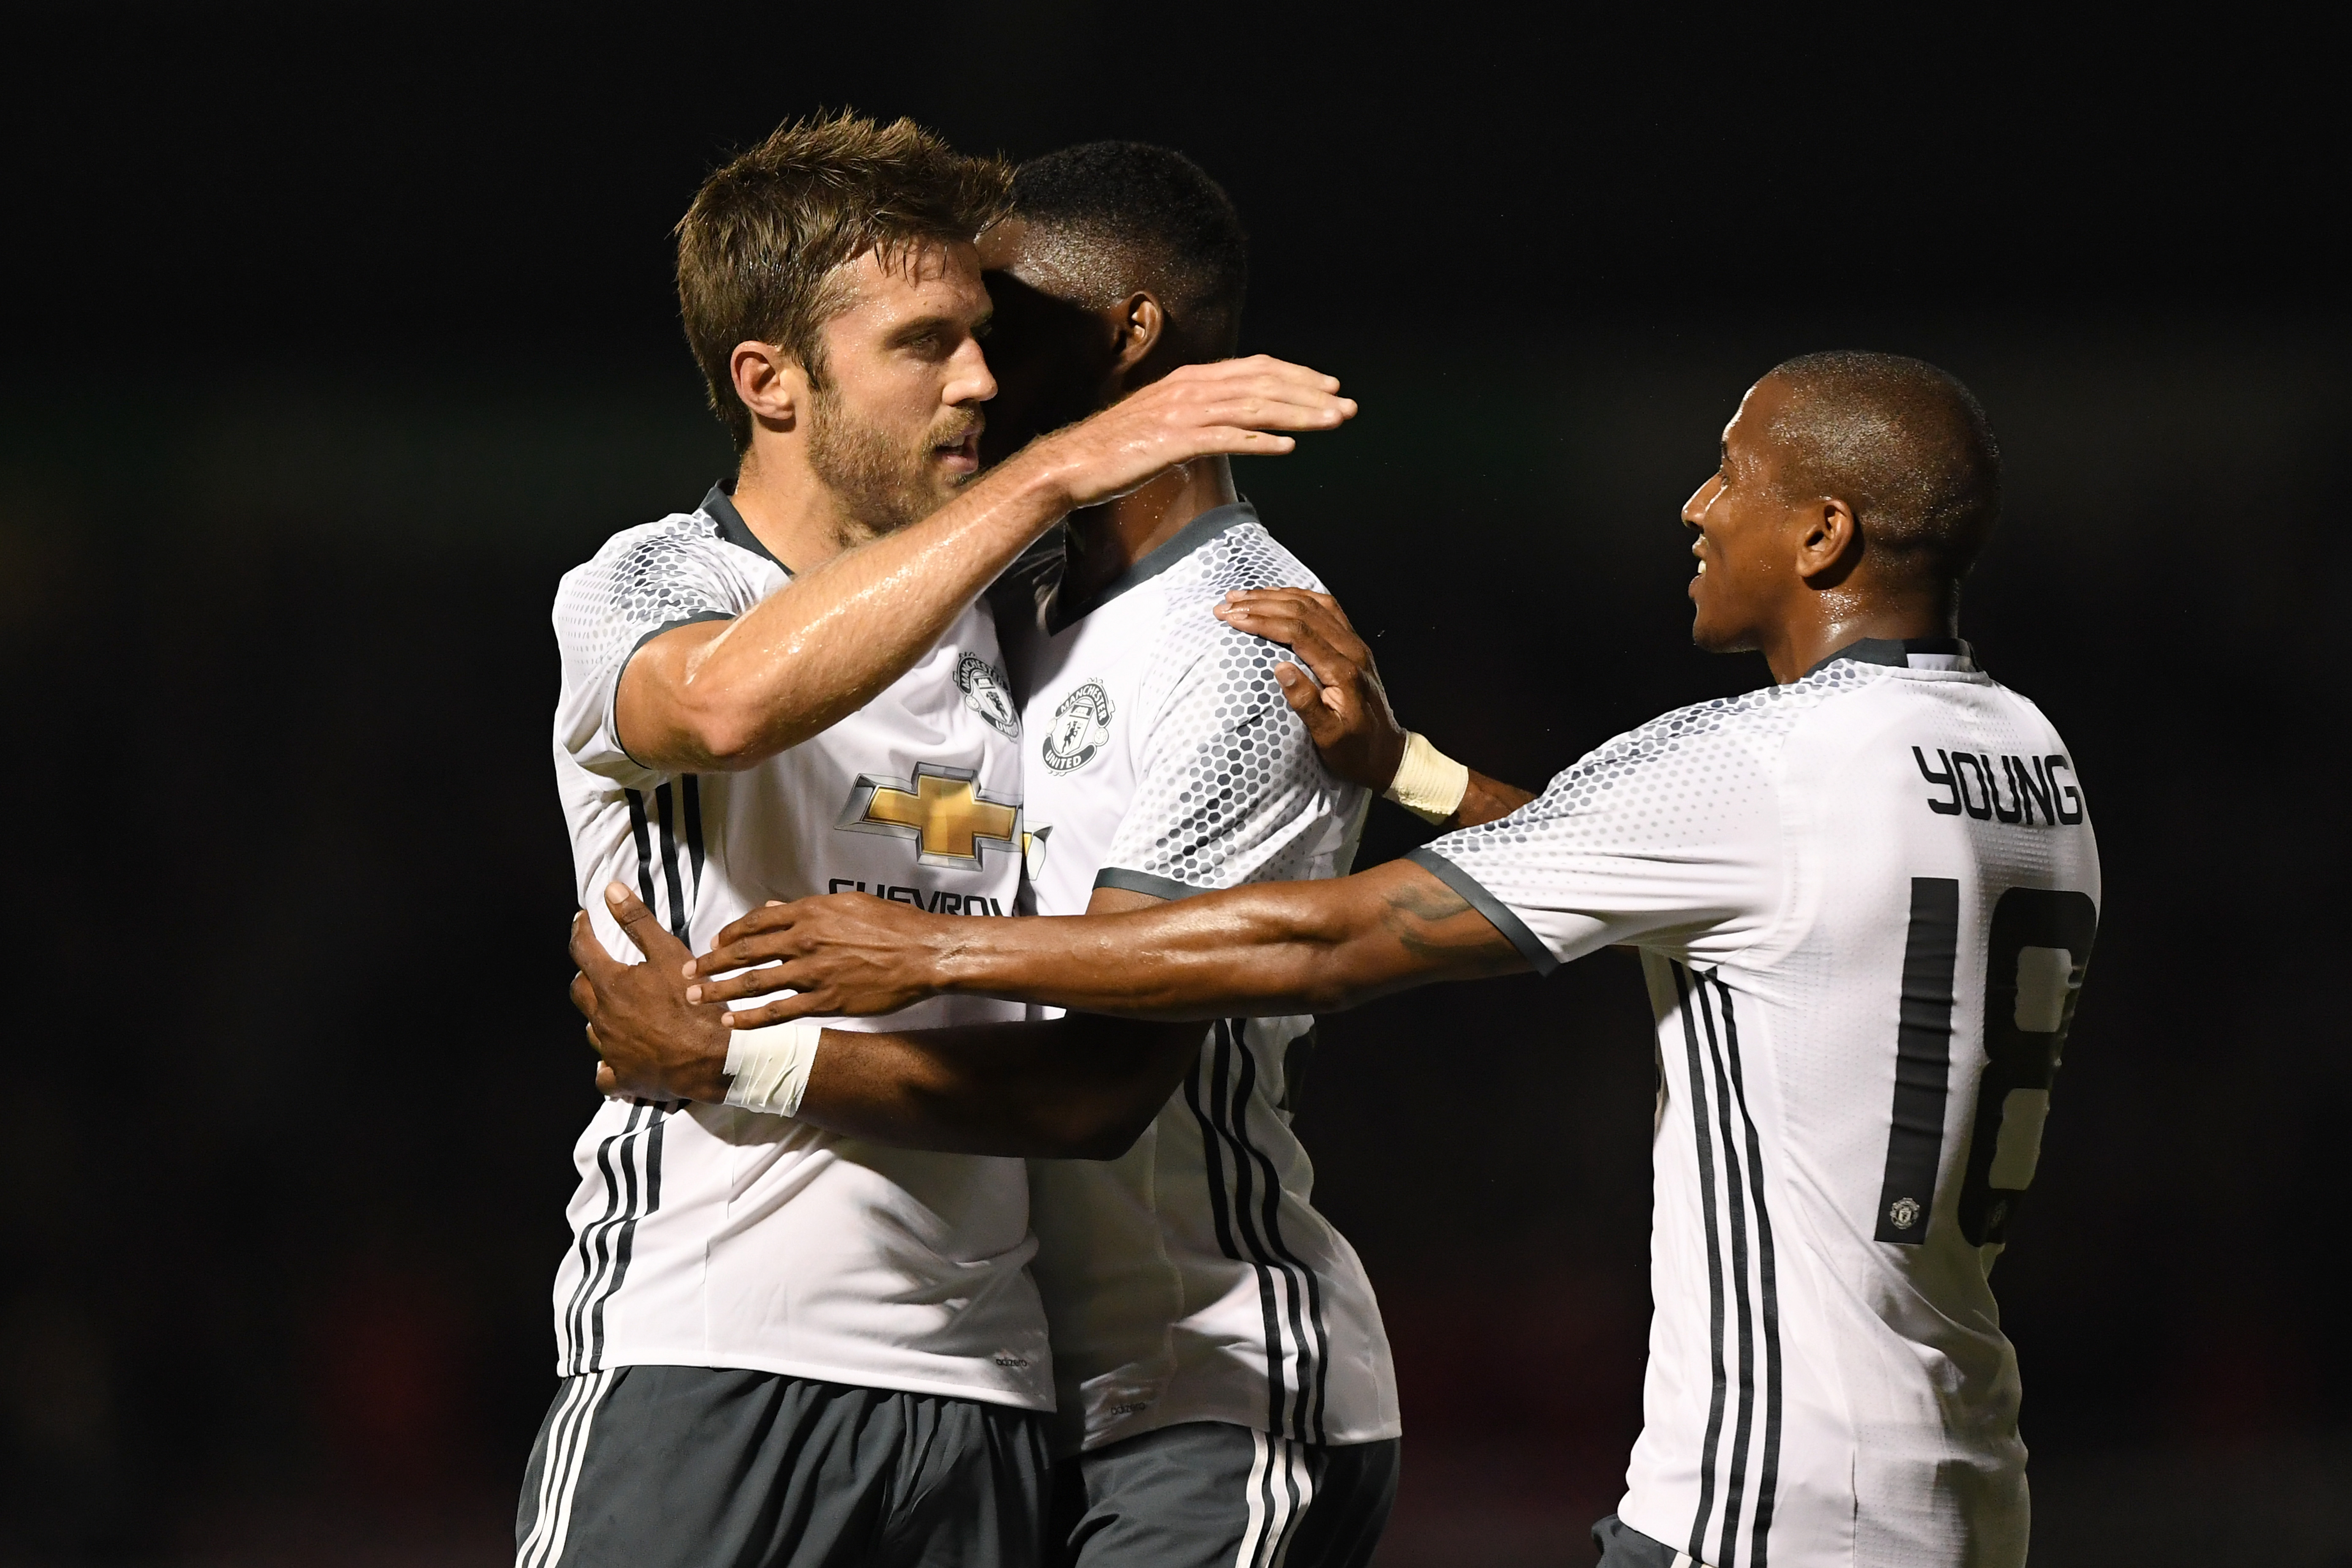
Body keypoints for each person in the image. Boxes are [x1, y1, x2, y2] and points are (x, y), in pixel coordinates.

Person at [655, 353, 2103, 1568]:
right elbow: (1677, 877)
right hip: (1968, 1480)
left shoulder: (1756, 763)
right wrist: (1398, 765)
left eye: (1734, 476)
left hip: (1771, 1501)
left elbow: (1318, 941)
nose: (1699, 505)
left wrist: (929, 945)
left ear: (1826, 536)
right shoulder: (2025, 759)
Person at [524, 111, 1353, 1568]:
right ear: (769, 383)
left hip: (986, 1397)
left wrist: (1393, 754)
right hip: (707, 1352)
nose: (979, 381)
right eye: (922, 345)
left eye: (982, 336)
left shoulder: (1021, 621)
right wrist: (1056, 471)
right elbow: (720, 708)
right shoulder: (648, 580)